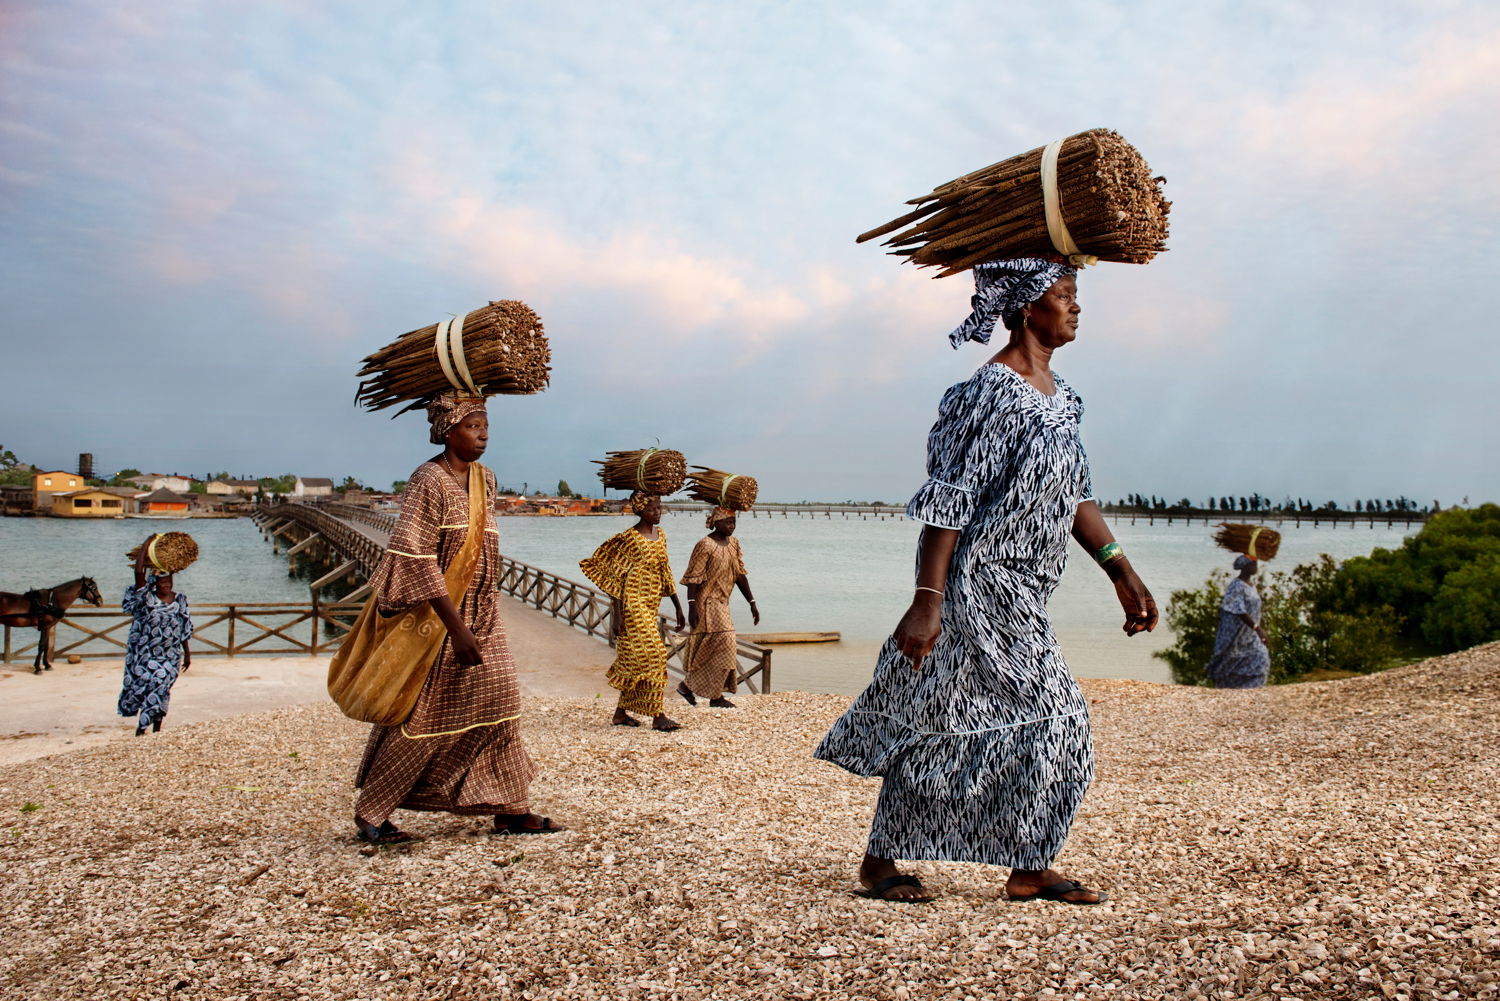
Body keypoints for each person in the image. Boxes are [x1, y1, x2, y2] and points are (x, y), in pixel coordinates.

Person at [815, 256, 1158, 904]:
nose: (1077, 307)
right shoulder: (992, 394)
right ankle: (900, 860)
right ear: (1030, 307)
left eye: (1076, 294)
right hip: (977, 587)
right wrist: (928, 602)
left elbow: (1075, 494)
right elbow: (950, 500)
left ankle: (1018, 862)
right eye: (1065, 294)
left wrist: (1123, 570)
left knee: (964, 714)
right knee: (1049, 715)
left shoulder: (1064, 399)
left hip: (1027, 590)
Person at [352, 392, 560, 844]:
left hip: (486, 613)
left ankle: (510, 808)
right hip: (441, 619)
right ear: (448, 430)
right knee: (425, 714)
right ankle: (372, 810)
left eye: (486, 425)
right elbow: (416, 557)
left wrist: (478, 620)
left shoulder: (486, 479)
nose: (483, 433)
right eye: (473, 425)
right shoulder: (428, 479)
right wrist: (457, 629)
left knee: (503, 704)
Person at [580, 492, 687, 731]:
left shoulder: (661, 536)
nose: (657, 512)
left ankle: (620, 714)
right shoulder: (629, 538)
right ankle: (658, 715)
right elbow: (614, 575)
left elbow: (665, 571)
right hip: (632, 603)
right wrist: (617, 614)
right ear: (640, 511)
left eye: (659, 508)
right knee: (656, 653)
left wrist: (678, 607)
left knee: (634, 659)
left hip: (651, 603)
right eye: (652, 509)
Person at [676, 507, 759, 709]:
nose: (731, 526)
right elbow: (693, 578)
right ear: (716, 523)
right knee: (727, 641)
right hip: (706, 602)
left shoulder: (734, 544)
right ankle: (710, 694)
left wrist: (752, 602)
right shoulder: (705, 545)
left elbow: (739, 574)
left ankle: (695, 689)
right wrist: (691, 606)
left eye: (734, 522)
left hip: (722, 602)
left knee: (713, 648)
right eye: (727, 523)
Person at [118, 534, 193, 736]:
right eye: (163, 581)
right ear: (156, 582)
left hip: (171, 654)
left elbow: (184, 626)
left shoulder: (180, 599)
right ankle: (143, 728)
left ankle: (154, 728)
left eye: (169, 581)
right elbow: (139, 572)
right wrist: (146, 545)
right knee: (153, 685)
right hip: (145, 653)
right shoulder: (147, 598)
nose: (167, 584)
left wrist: (187, 654)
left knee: (162, 687)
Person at [1204, 555, 1270, 688]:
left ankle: (1251, 692)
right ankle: (1232, 693)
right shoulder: (1236, 586)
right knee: (1231, 663)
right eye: (1252, 564)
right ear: (1244, 567)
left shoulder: (1251, 586)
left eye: (1256, 564)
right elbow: (1238, 609)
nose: (1255, 567)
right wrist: (1257, 628)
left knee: (1261, 658)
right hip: (1237, 635)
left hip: (1249, 636)